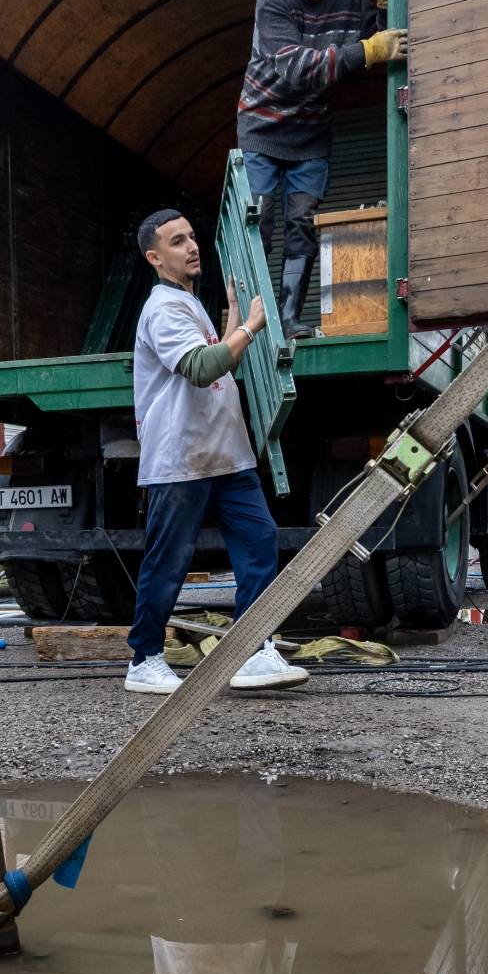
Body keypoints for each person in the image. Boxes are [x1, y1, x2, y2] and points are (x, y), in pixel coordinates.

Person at [124, 208, 308, 696]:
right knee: (168, 562)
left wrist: (232, 320)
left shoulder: (189, 303)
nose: (191, 246)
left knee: (259, 541)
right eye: (177, 241)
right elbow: (202, 368)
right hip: (181, 459)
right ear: (154, 257)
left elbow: (218, 356)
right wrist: (250, 327)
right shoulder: (162, 309)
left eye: (191, 237)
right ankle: (144, 659)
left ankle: (252, 650)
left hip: (226, 454)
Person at [236, 0, 407, 340]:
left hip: (311, 134)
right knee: (260, 221)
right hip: (262, 126)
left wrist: (383, 3)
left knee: (302, 222)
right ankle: (252, 323)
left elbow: (380, 40)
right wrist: (368, 50)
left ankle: (289, 319)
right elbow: (298, 69)